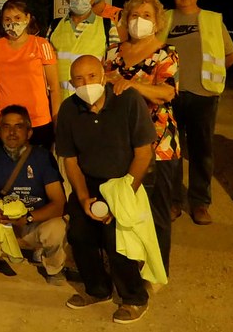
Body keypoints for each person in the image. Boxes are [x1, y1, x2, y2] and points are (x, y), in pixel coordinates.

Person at [56, 55, 157, 324]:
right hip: (88, 181)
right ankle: (96, 289)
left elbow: (143, 154)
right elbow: (71, 159)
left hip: (124, 181)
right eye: (78, 79)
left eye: (91, 76)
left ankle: (134, 298)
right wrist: (83, 197)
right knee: (79, 234)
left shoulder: (129, 101)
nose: (86, 83)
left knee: (118, 240)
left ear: (104, 77)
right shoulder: (68, 109)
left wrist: (123, 194)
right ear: (70, 82)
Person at [104, 0, 179, 275]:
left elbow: (167, 92)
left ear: (157, 21)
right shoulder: (112, 53)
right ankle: (121, 268)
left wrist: (133, 85)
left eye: (146, 16)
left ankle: (155, 271)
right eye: (134, 15)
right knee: (120, 205)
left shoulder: (165, 53)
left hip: (157, 142)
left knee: (156, 211)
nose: (139, 21)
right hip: (119, 141)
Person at [0, 105, 67, 284]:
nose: (12, 132)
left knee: (57, 227)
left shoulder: (43, 157)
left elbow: (59, 203)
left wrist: (29, 218)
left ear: (29, 132)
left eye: (19, 126)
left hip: (32, 225)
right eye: (6, 127)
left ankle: (54, 269)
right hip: (1, 225)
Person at [161, 0, 233, 226]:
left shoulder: (213, 20)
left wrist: (210, 77)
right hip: (170, 94)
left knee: (202, 151)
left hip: (203, 95)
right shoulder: (165, 19)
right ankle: (173, 202)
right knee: (171, 151)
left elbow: (229, 55)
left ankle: (200, 203)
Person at [0, 0, 60, 151]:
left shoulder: (41, 44)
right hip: (4, 122)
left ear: (27, 18)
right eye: (8, 19)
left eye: (17, 18)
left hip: (38, 122)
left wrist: (56, 121)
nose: (13, 23)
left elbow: (55, 87)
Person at [45, 0, 120, 101]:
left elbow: (113, 67)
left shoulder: (107, 25)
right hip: (59, 101)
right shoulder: (55, 26)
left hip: (92, 101)